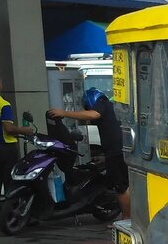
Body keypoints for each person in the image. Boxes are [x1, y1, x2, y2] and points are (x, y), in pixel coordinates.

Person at [48, 88, 128, 218]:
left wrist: (64, 113)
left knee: (121, 188)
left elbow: (92, 115)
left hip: (116, 151)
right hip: (115, 150)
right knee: (120, 185)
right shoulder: (110, 107)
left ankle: (126, 220)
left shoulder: (102, 104)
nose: (86, 108)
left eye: (86, 106)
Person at [0, 70, 36, 187]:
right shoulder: (3, 104)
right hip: (5, 150)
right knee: (11, 185)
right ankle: (10, 205)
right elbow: (8, 129)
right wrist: (24, 130)